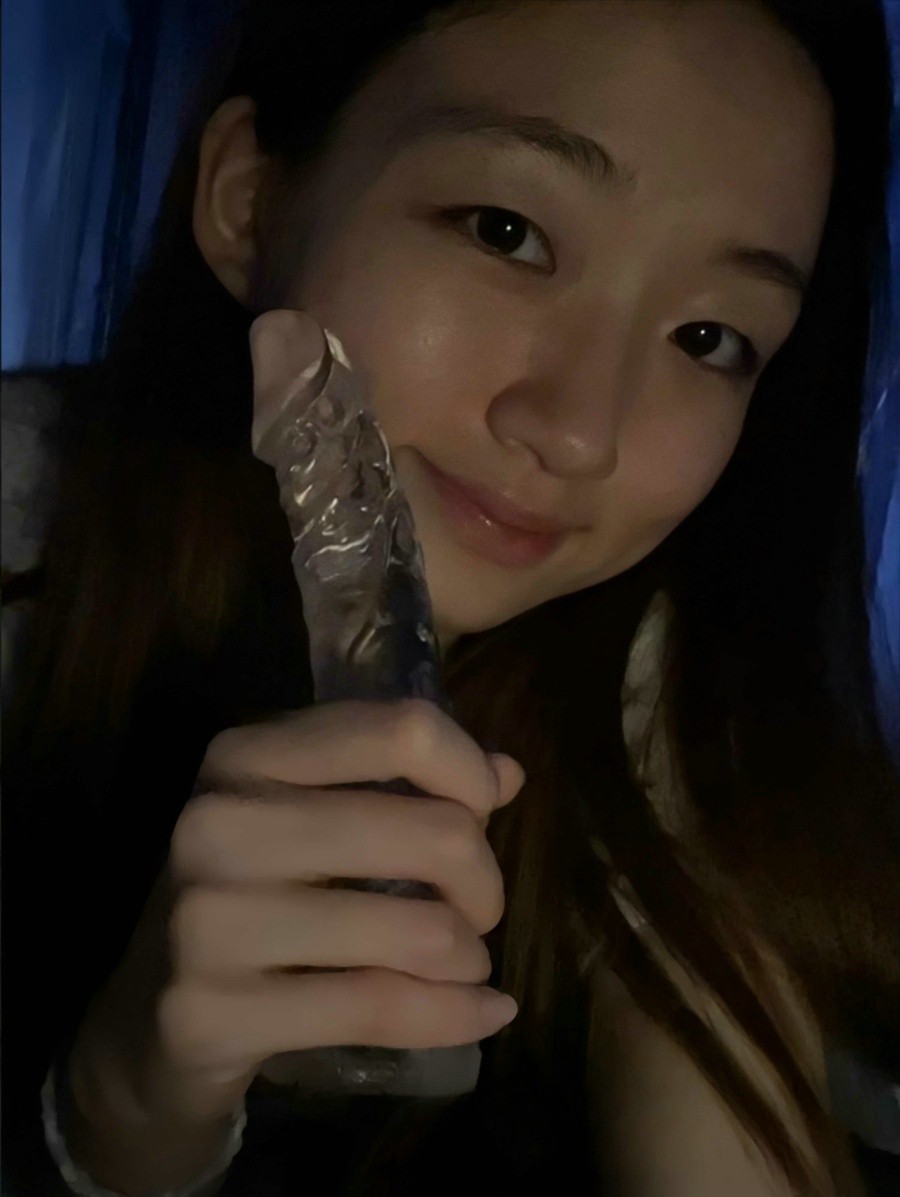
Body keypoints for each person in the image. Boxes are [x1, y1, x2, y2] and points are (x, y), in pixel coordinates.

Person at [2, 0, 899, 1193]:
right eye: (507, 232)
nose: (579, 431)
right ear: (249, 202)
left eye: (708, 336)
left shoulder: (671, 698)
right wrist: (113, 1124)